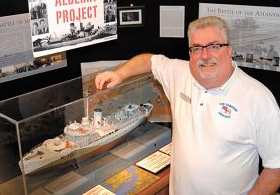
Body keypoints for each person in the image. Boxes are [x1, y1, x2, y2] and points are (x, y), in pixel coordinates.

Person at [95, 16, 280, 194]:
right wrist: (120, 74)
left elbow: (276, 167)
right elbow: (149, 61)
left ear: (229, 50)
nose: (205, 55)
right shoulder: (181, 73)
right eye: (197, 48)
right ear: (190, 53)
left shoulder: (258, 98)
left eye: (214, 46)